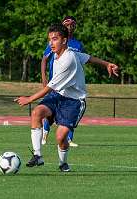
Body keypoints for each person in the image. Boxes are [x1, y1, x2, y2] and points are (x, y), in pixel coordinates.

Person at [15, 23, 118, 172]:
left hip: (74, 102)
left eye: (55, 39)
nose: (51, 43)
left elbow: (49, 87)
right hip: (58, 95)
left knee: (60, 137)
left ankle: (63, 163)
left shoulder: (68, 59)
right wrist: (106, 63)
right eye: (50, 39)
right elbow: (88, 58)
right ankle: (38, 155)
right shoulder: (62, 54)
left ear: (64, 40)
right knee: (37, 113)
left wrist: (29, 99)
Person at [41, 16, 83, 147]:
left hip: (70, 85)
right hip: (55, 83)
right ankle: (45, 133)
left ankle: (69, 139)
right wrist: (44, 78)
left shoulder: (78, 45)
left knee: (70, 111)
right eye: (67, 24)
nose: (70, 27)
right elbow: (44, 60)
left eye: (72, 25)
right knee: (50, 110)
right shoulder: (56, 41)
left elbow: (83, 60)